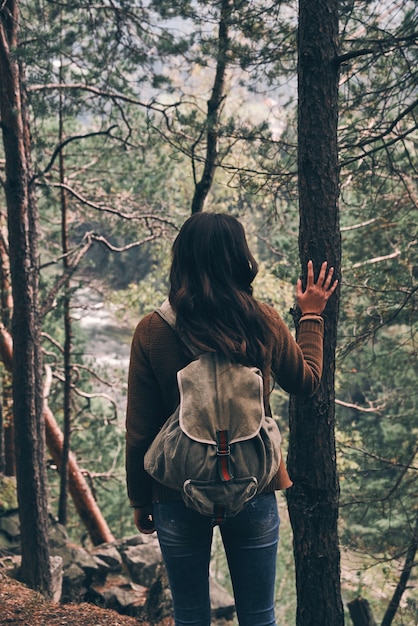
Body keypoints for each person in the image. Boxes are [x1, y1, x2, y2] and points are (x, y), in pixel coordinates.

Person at [125, 212, 338, 626]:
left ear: (181, 259)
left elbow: (139, 431)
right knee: (259, 617)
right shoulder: (264, 321)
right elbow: (307, 381)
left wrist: (140, 498)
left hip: (175, 491)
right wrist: (311, 315)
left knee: (189, 617)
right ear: (241, 259)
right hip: (254, 482)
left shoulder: (152, 330)